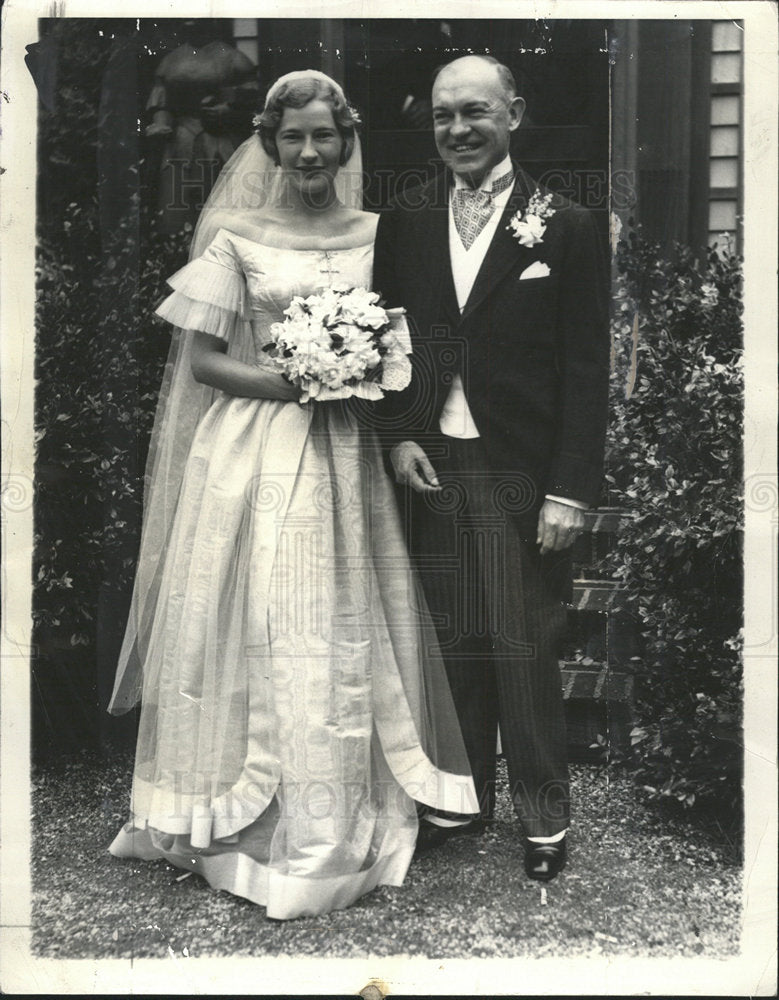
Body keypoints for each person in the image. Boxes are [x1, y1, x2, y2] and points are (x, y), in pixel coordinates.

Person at [107, 69, 477, 920]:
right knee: (252, 613)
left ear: (346, 141)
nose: (309, 152)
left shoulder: (380, 234)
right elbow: (203, 362)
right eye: (292, 137)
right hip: (252, 446)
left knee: (336, 615)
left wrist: (355, 376)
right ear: (270, 145)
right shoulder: (237, 234)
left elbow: (403, 342)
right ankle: (229, 810)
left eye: (324, 136)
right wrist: (296, 380)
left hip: (348, 447)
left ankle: (337, 810)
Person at [372, 55, 609, 882]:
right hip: (430, 460)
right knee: (455, 638)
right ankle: (459, 799)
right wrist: (397, 438)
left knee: (522, 640)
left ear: (513, 113)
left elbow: (586, 366)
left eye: (474, 112)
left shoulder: (566, 223)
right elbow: (386, 342)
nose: (458, 130)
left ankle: (544, 817)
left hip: (523, 466)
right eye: (442, 116)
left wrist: (570, 488)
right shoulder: (401, 219)